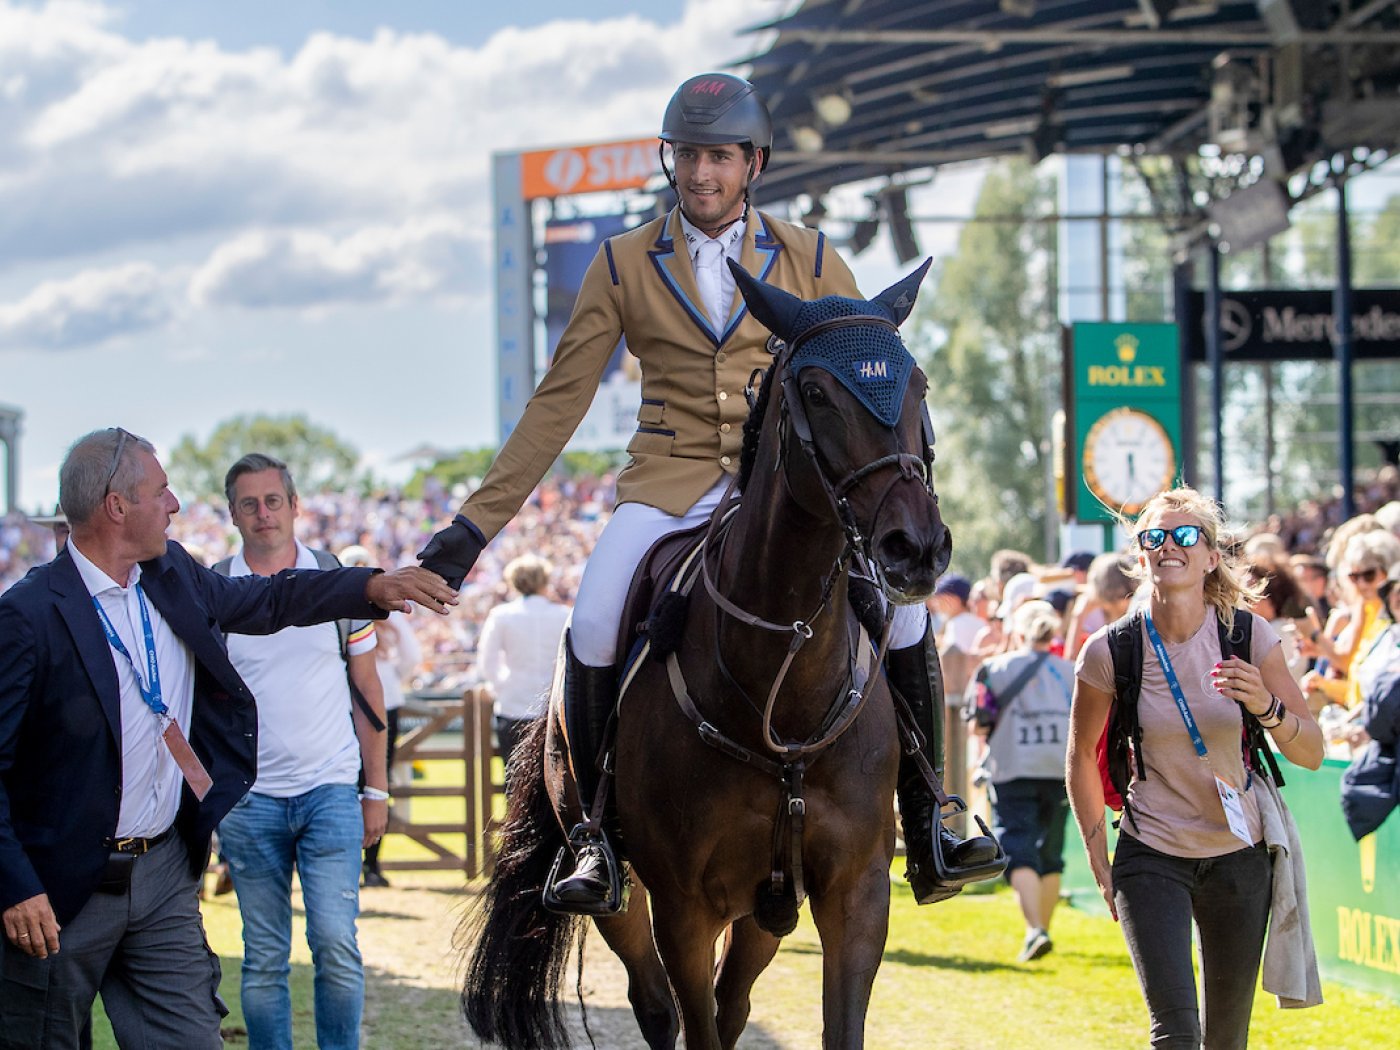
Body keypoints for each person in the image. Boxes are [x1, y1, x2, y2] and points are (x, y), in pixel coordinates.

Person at [418, 72, 998, 912]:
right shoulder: (622, 262)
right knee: (594, 617)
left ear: (753, 162)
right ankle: (595, 837)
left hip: (790, 492)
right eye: (687, 155)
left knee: (907, 615)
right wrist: (473, 529)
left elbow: (867, 372)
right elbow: (559, 402)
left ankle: (933, 817)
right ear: (670, 159)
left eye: (719, 156)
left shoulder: (810, 256)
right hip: (671, 478)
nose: (701, 174)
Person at [0, 429, 454, 1049]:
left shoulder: (169, 573)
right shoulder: (27, 614)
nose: (175, 504)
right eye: (161, 492)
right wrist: (16, 886)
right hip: (62, 890)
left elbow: (267, 599)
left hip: (162, 874)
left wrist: (369, 588)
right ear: (117, 506)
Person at [1067, 487, 1323, 1050]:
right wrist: (1098, 856)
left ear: (1210, 556)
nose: (1168, 546)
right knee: (1176, 1033)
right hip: (1151, 851)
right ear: (1141, 556)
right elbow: (1081, 754)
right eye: (1154, 537)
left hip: (1239, 853)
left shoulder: (1247, 636)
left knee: (1226, 1039)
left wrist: (1267, 706)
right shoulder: (1110, 650)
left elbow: (1311, 752)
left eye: (1185, 535)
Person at [214, 454, 397, 1050]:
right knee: (264, 955)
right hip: (250, 801)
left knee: (336, 945)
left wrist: (376, 789)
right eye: (249, 503)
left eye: (273, 500)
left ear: (295, 506)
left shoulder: (334, 578)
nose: (263, 513)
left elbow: (367, 689)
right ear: (233, 513)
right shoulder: (217, 587)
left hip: (329, 790)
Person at [968, 599, 1074, 963]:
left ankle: (1035, 930)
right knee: (1051, 853)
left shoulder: (993, 669)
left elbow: (979, 722)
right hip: (1060, 769)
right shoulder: (1072, 671)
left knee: (1018, 846)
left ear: (1017, 630)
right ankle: (1042, 930)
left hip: (1013, 767)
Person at [340, 545, 423, 888]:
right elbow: (412, 655)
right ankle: (371, 864)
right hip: (384, 698)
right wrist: (391, 676)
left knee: (347, 779)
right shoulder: (390, 611)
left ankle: (348, 861)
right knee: (378, 779)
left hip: (346, 702)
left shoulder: (338, 608)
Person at [475, 554, 571, 772]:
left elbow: (487, 661)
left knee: (514, 777)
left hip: (513, 704)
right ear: (544, 581)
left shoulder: (501, 615)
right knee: (554, 779)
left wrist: (501, 686)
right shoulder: (563, 615)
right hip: (551, 706)